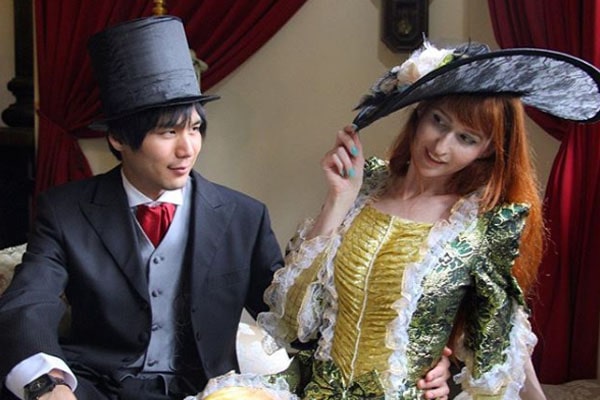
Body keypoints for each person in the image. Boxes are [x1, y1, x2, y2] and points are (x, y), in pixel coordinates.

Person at [0, 16, 451, 400]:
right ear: (118, 138)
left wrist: (420, 358)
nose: (187, 148)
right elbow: (28, 303)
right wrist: (47, 384)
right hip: (93, 388)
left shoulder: (242, 217)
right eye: (167, 133)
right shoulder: (66, 211)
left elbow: (291, 319)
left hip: (205, 391)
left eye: (195, 128)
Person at [197, 42, 600, 399]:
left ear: (489, 150)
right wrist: (338, 200)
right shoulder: (363, 189)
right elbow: (291, 320)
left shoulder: (480, 226)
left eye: (467, 138)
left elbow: (499, 352)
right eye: (439, 121)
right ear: (419, 114)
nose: (441, 146)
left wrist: (464, 375)